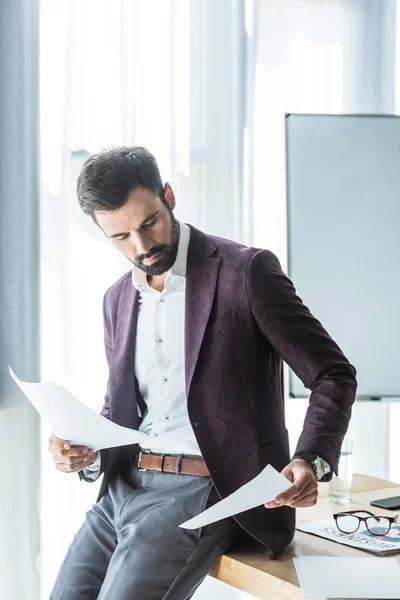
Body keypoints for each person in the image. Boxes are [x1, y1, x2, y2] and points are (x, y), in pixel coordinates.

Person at [48, 146, 357, 599]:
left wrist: (309, 459)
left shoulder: (246, 272)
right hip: (120, 487)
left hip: (204, 488)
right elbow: (123, 408)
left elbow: (332, 373)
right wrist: (84, 450)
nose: (141, 246)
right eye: (120, 237)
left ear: (168, 196)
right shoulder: (116, 300)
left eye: (148, 222)